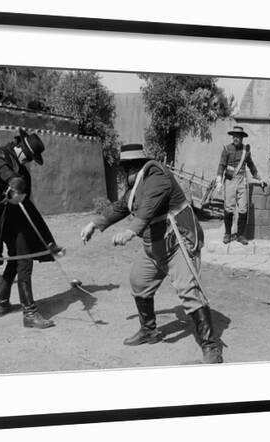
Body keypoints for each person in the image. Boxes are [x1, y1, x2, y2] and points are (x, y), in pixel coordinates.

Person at [80, 144, 223, 364]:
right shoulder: (136, 185)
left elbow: (147, 207)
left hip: (178, 240)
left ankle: (210, 344)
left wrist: (130, 231)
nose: (123, 173)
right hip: (154, 243)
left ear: (134, 166)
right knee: (139, 281)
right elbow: (121, 207)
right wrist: (95, 223)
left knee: (188, 291)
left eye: (125, 168)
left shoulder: (157, 175)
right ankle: (149, 330)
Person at [0, 128, 61, 329]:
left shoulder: (22, 169)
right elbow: (4, 171)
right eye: (29, 157)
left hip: (17, 219)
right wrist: (12, 181)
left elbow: (26, 203)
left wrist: (48, 240)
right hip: (1, 220)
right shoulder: (1, 154)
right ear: (21, 148)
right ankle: (30, 314)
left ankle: (1, 304)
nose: (29, 161)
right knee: (24, 261)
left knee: (14, 261)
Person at [215, 126, 266, 245]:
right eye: (234, 136)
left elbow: (251, 166)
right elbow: (221, 165)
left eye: (238, 136)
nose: (235, 138)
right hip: (230, 180)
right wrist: (218, 181)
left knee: (243, 208)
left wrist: (259, 178)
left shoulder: (246, 151)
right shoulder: (226, 149)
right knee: (228, 207)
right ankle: (227, 233)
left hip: (242, 181)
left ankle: (241, 235)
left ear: (242, 138)